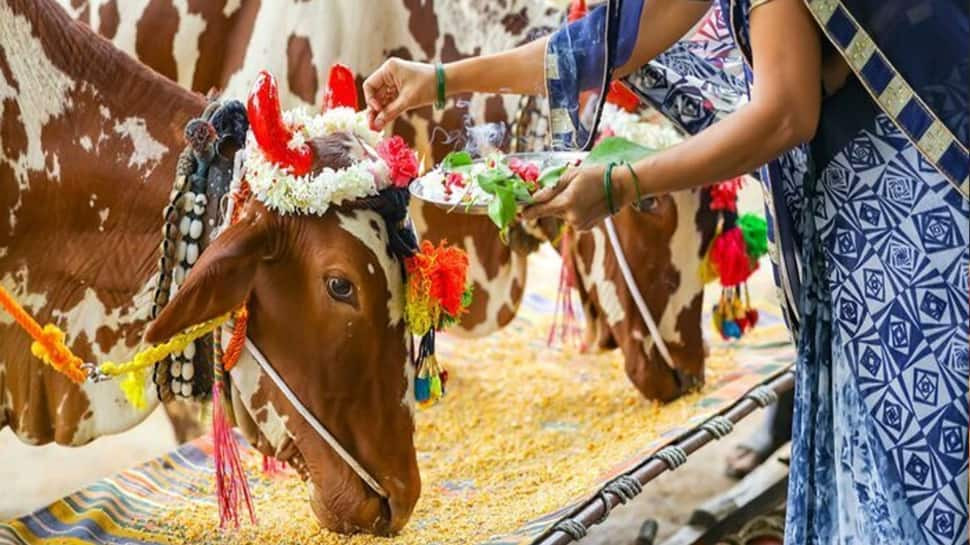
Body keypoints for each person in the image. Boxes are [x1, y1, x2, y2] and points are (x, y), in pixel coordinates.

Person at [364, 1, 969, 545]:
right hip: (877, 228)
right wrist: (441, 81)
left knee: (918, 477)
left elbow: (786, 113)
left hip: (911, 243)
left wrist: (625, 183)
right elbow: (612, 40)